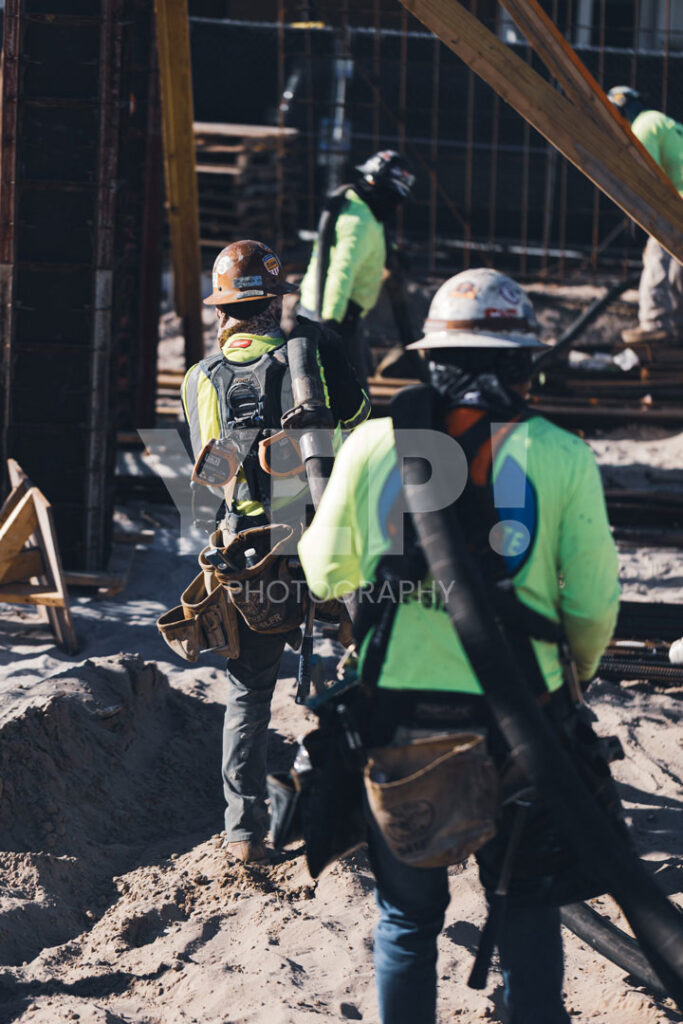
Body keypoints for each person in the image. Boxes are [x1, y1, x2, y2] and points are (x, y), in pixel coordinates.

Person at [299, 267, 620, 1023]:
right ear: (523, 362)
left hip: (399, 720)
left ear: (431, 359)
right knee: (529, 907)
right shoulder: (561, 454)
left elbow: (322, 569)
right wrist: (572, 680)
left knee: (408, 919)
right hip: (522, 723)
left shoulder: (373, 444)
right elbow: (592, 604)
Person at [182, 239, 369, 864]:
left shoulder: (199, 379)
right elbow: (360, 432)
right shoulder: (310, 362)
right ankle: (369, 811)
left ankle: (244, 835)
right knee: (367, 668)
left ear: (221, 309)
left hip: (249, 556)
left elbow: (207, 472)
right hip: (325, 544)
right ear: (275, 303)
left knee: (248, 693)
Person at [298, 149, 416, 384]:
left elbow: (368, 243)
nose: (397, 206)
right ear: (386, 191)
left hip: (341, 314)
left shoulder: (363, 210)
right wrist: (329, 324)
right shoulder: (359, 222)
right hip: (333, 317)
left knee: (349, 385)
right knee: (346, 390)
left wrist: (391, 252)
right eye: (396, 198)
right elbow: (341, 271)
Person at [607, 85, 683, 345]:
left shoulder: (643, 126)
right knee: (678, 266)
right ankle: (678, 326)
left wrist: (640, 215)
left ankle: (656, 323)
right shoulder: (666, 122)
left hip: (678, 202)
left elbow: (646, 175)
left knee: (658, 256)